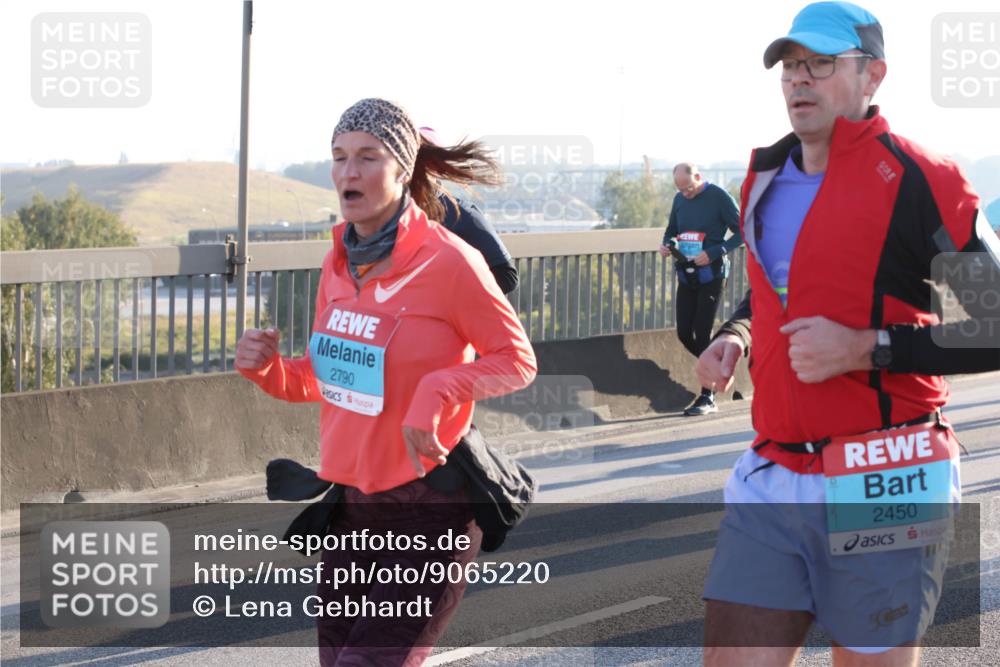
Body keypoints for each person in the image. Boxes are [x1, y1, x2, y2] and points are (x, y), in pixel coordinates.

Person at [696, 3, 1000, 666]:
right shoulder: (764, 177)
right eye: (790, 67)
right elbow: (783, 285)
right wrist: (740, 332)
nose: (799, 80)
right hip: (776, 466)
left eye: (821, 64)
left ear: (872, 75)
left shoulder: (926, 180)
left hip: (887, 471)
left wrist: (867, 347)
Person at [235, 98, 537, 666]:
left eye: (368, 157)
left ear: (403, 169)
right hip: (352, 515)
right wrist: (268, 370)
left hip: (432, 512)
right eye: (339, 157)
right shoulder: (337, 264)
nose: (349, 172)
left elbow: (517, 360)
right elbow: (324, 380)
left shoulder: (450, 261)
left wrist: (439, 390)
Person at [658, 162, 743, 416]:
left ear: (698, 177)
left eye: (689, 188)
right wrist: (666, 245)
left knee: (702, 330)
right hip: (686, 273)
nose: (685, 193)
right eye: (680, 189)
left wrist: (715, 252)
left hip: (712, 273)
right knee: (685, 332)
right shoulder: (679, 199)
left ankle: (708, 396)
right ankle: (719, 372)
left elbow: (743, 232)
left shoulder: (718, 197)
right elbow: (671, 231)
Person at [418, 126, 518, 294]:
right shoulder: (388, 214)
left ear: (438, 166)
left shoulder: (463, 215)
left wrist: (448, 296)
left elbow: (507, 277)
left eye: (421, 158)